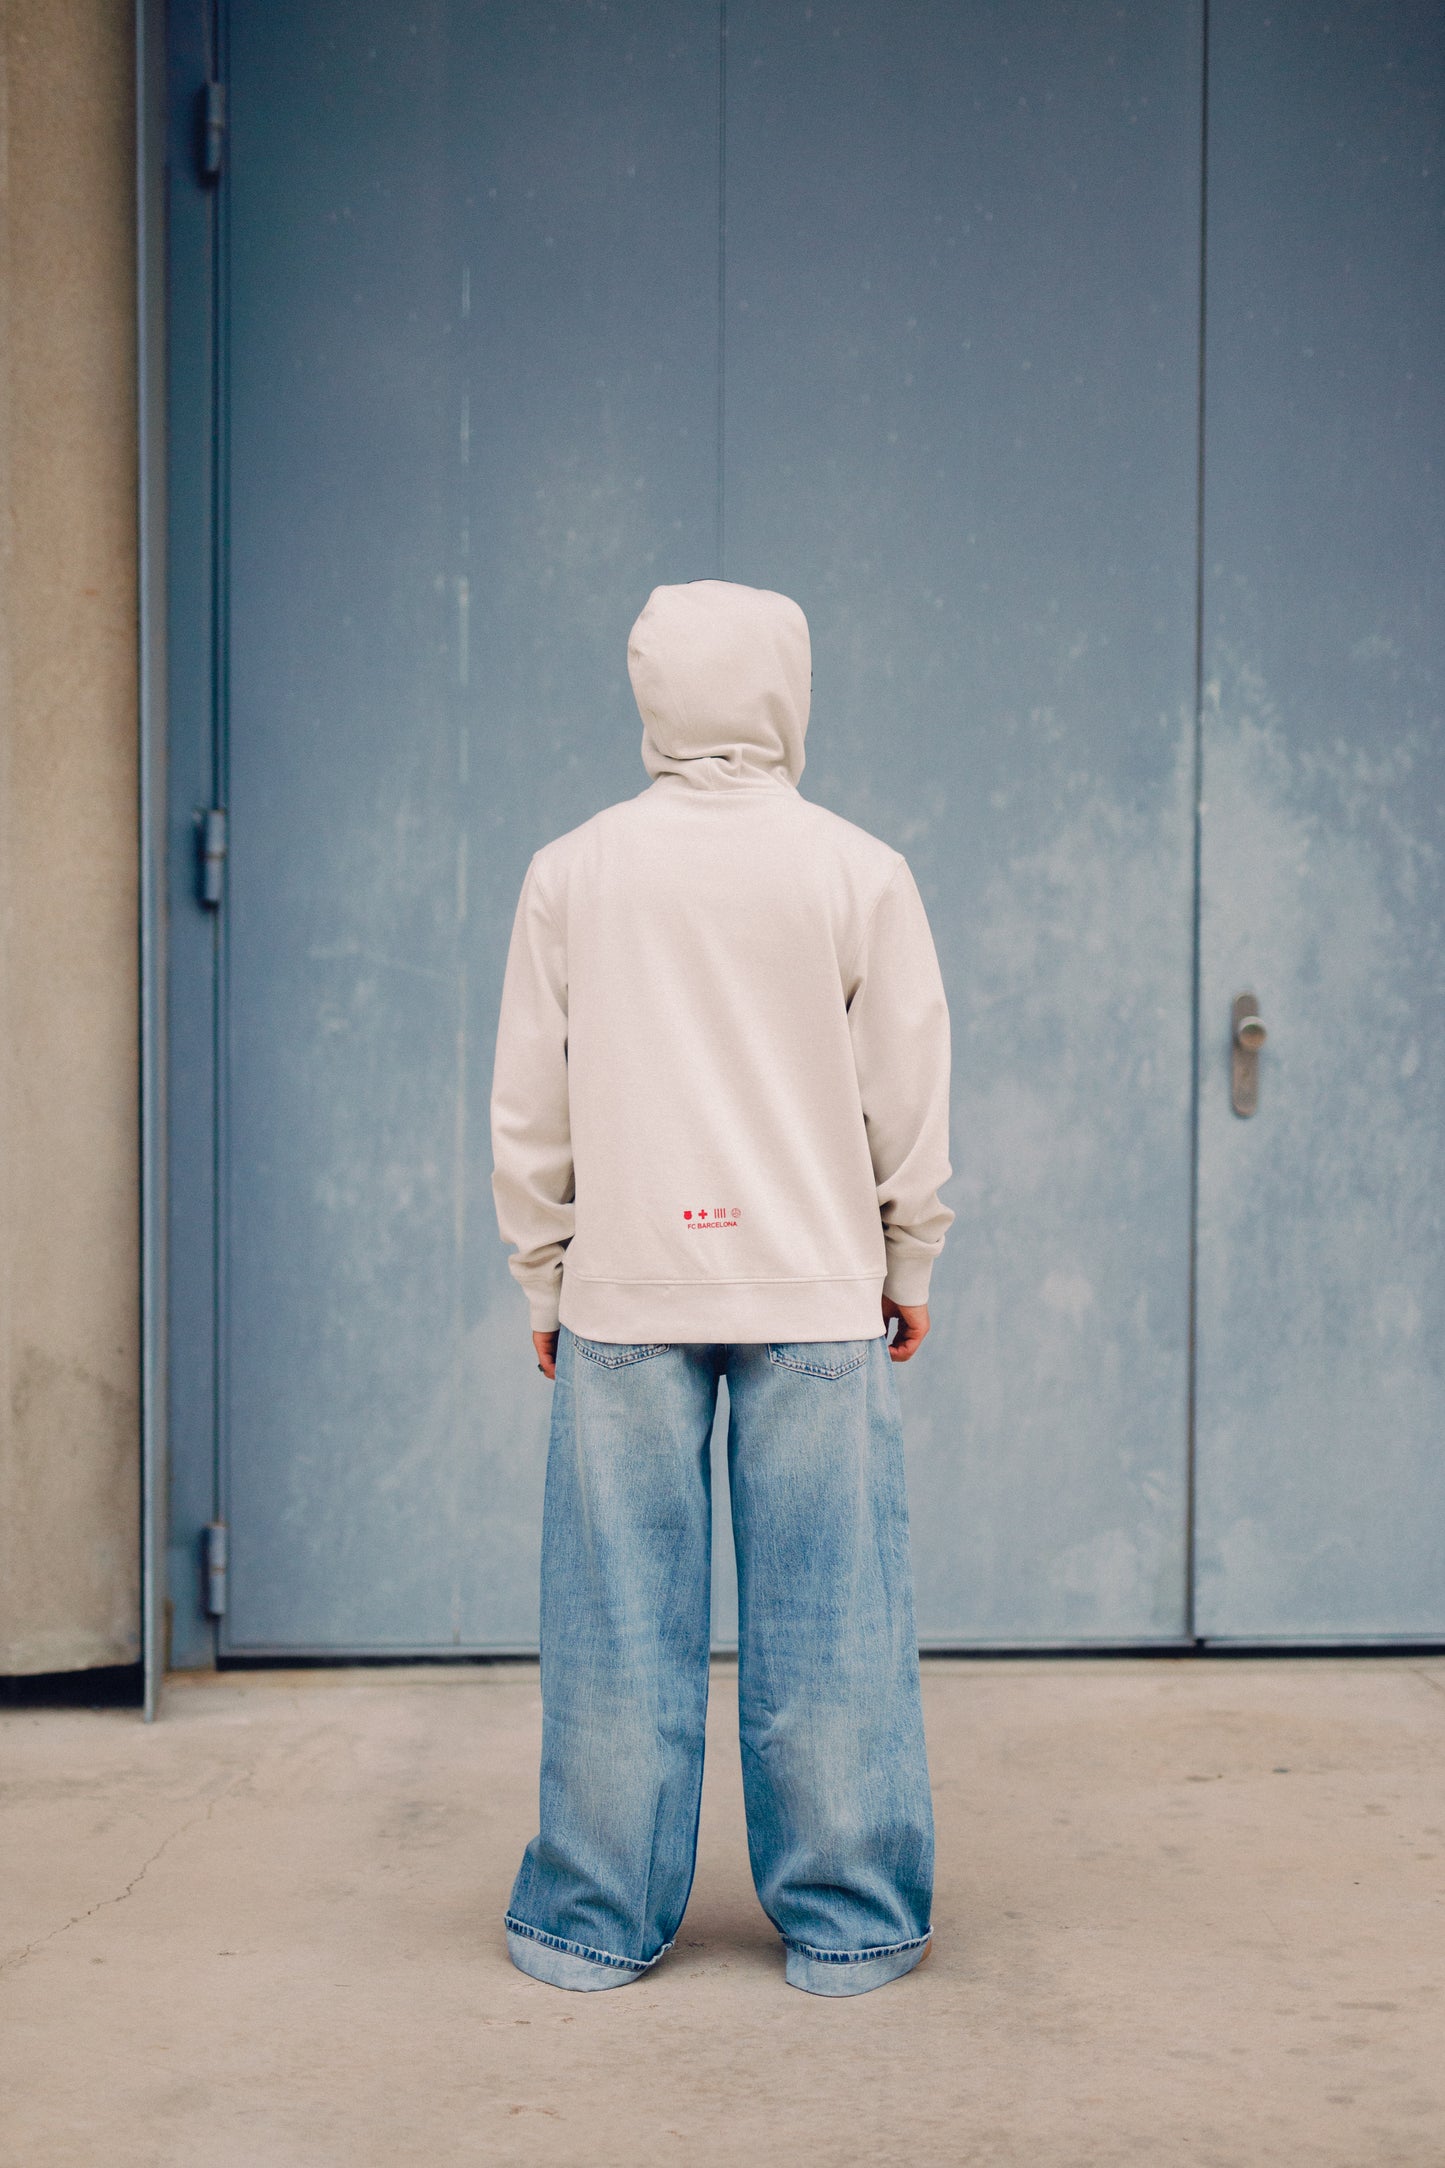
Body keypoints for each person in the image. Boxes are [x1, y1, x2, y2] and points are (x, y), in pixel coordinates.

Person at [489, 578, 954, 1996]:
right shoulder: (854, 868)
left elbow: (530, 1104)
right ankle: (849, 1921)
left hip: (627, 1292)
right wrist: (908, 1251)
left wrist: (544, 1273)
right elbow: (906, 1087)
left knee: (618, 1627)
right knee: (832, 1624)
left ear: (650, 693)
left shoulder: (573, 870)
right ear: (783, 691)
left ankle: (587, 1923)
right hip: (815, 1282)